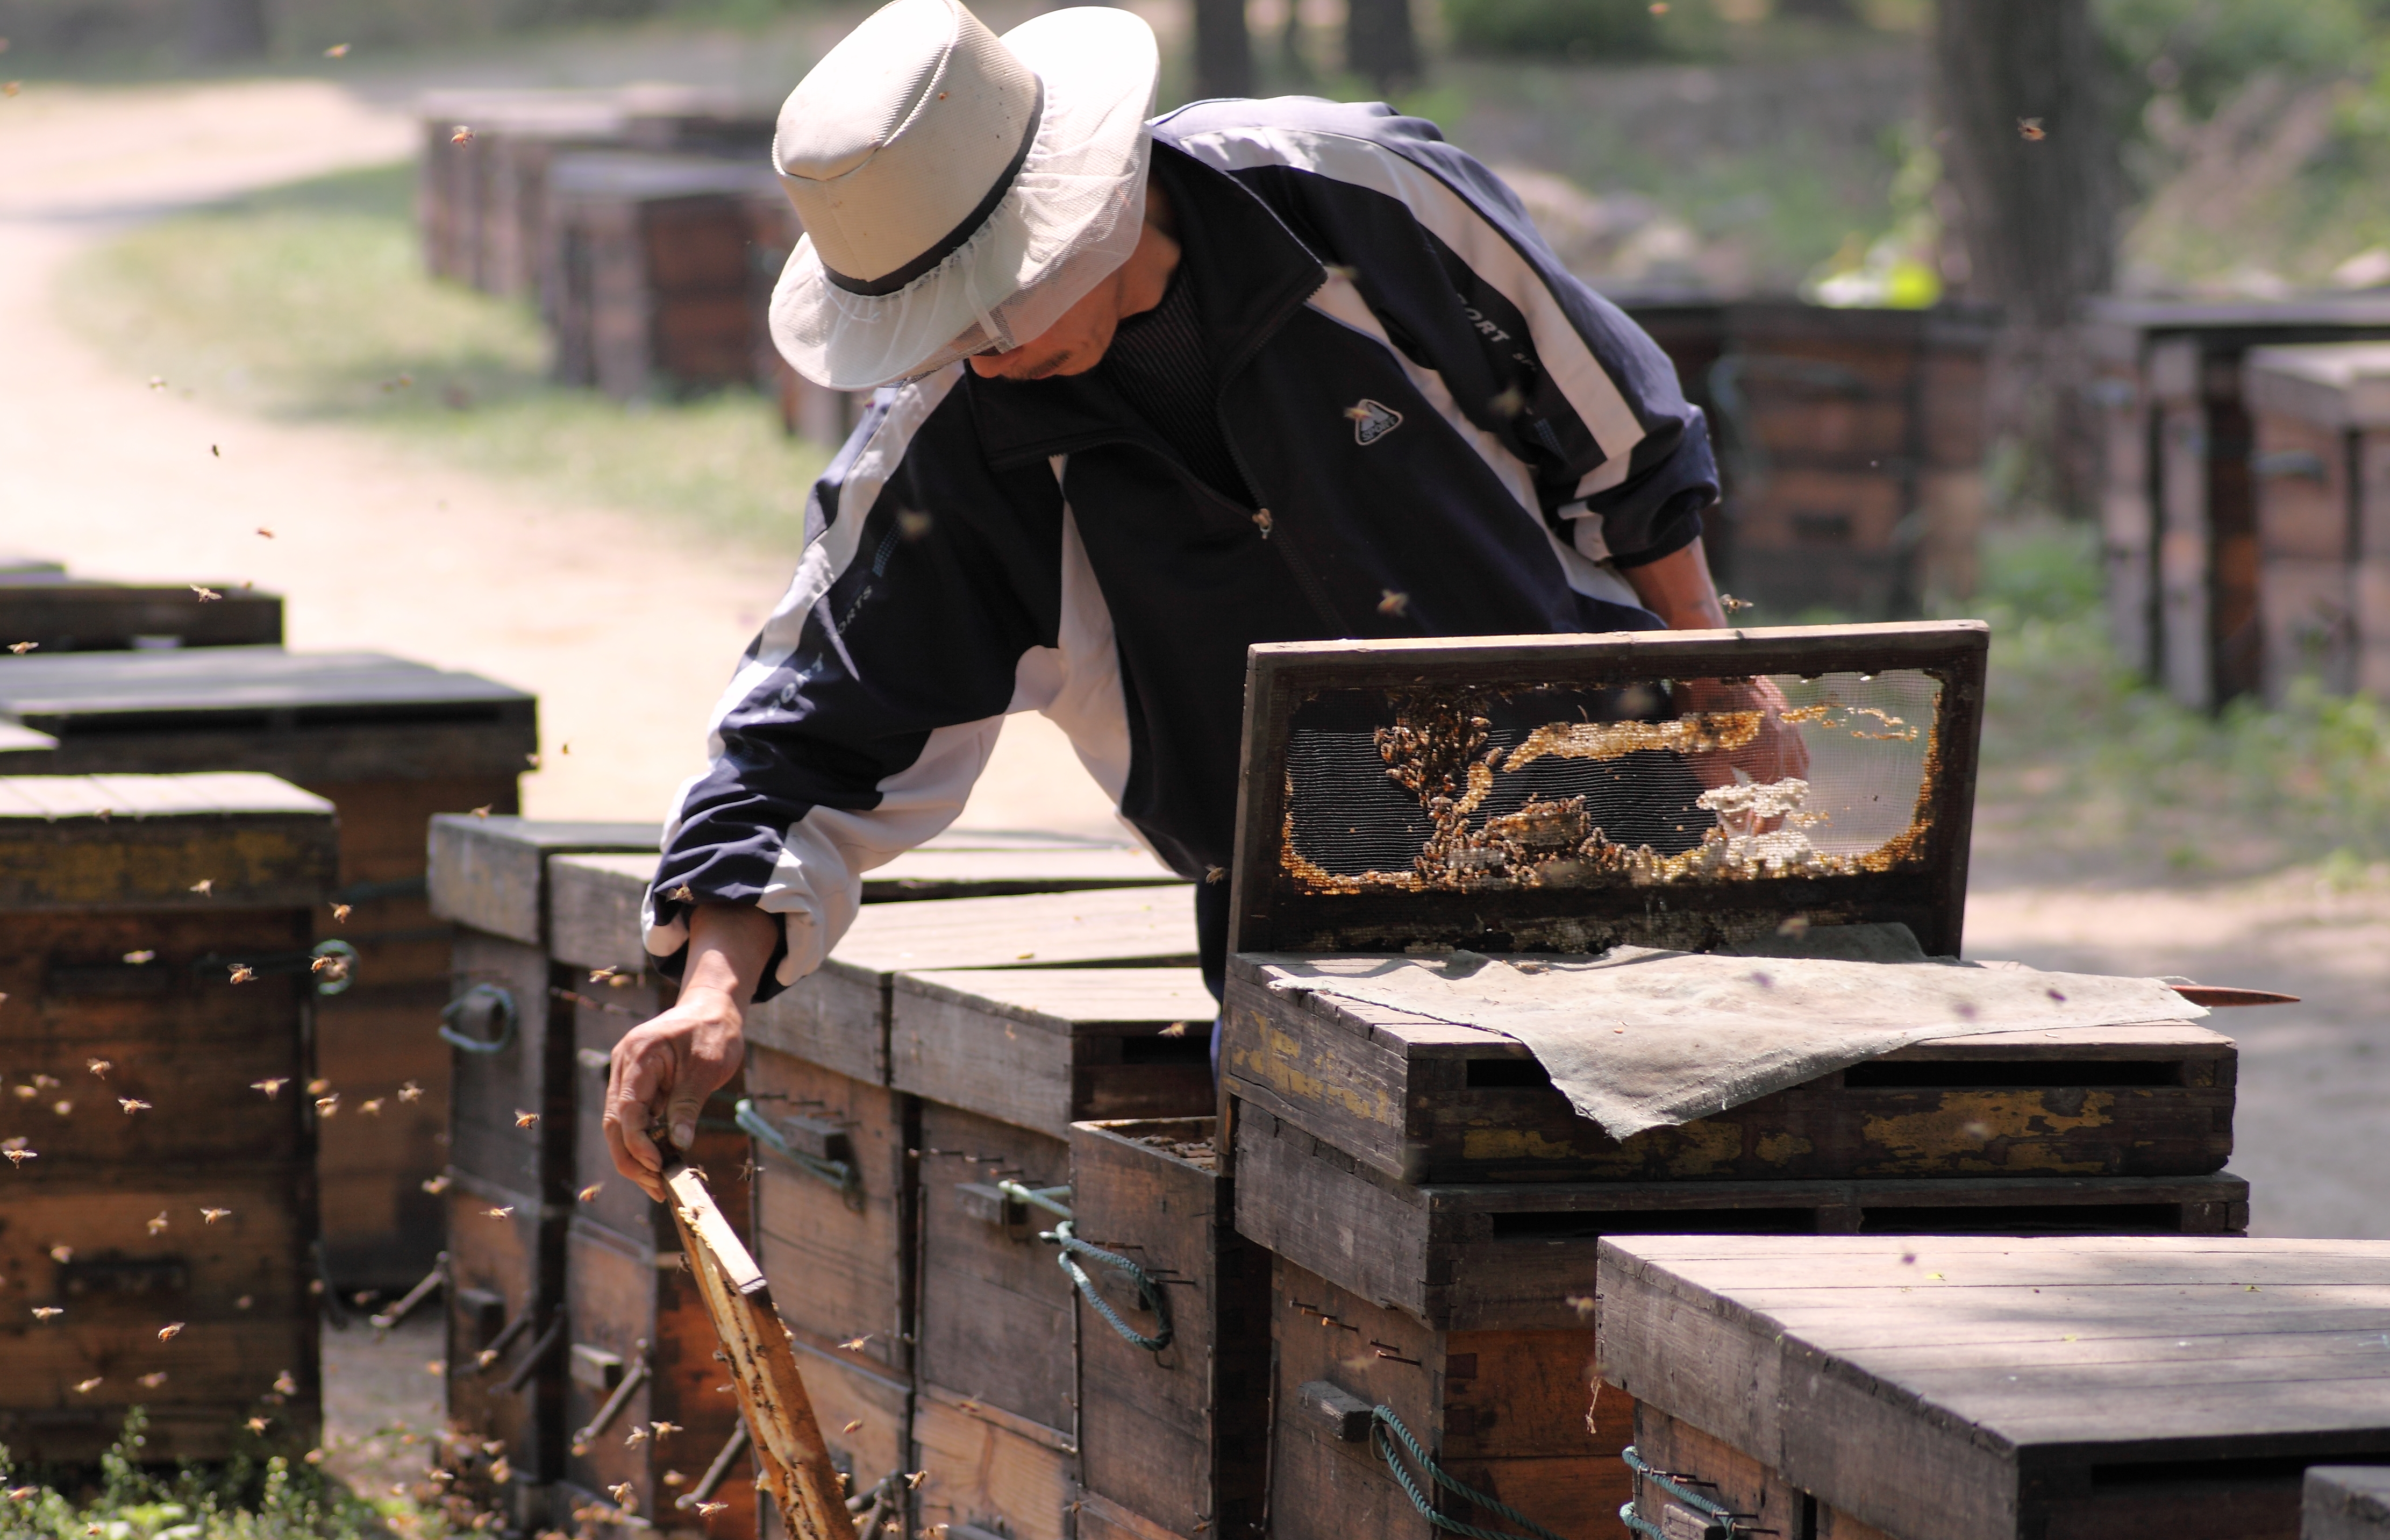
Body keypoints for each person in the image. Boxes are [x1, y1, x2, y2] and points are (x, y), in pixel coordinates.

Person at [604, 0, 1801, 1196]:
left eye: (995, 300)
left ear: (1090, 198)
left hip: (1623, 810)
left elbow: (1622, 441)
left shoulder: (1354, 193)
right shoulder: (947, 444)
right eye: (942, 328)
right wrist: (709, 990)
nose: (985, 353)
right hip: (1308, 937)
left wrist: (1714, 674)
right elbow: (807, 731)